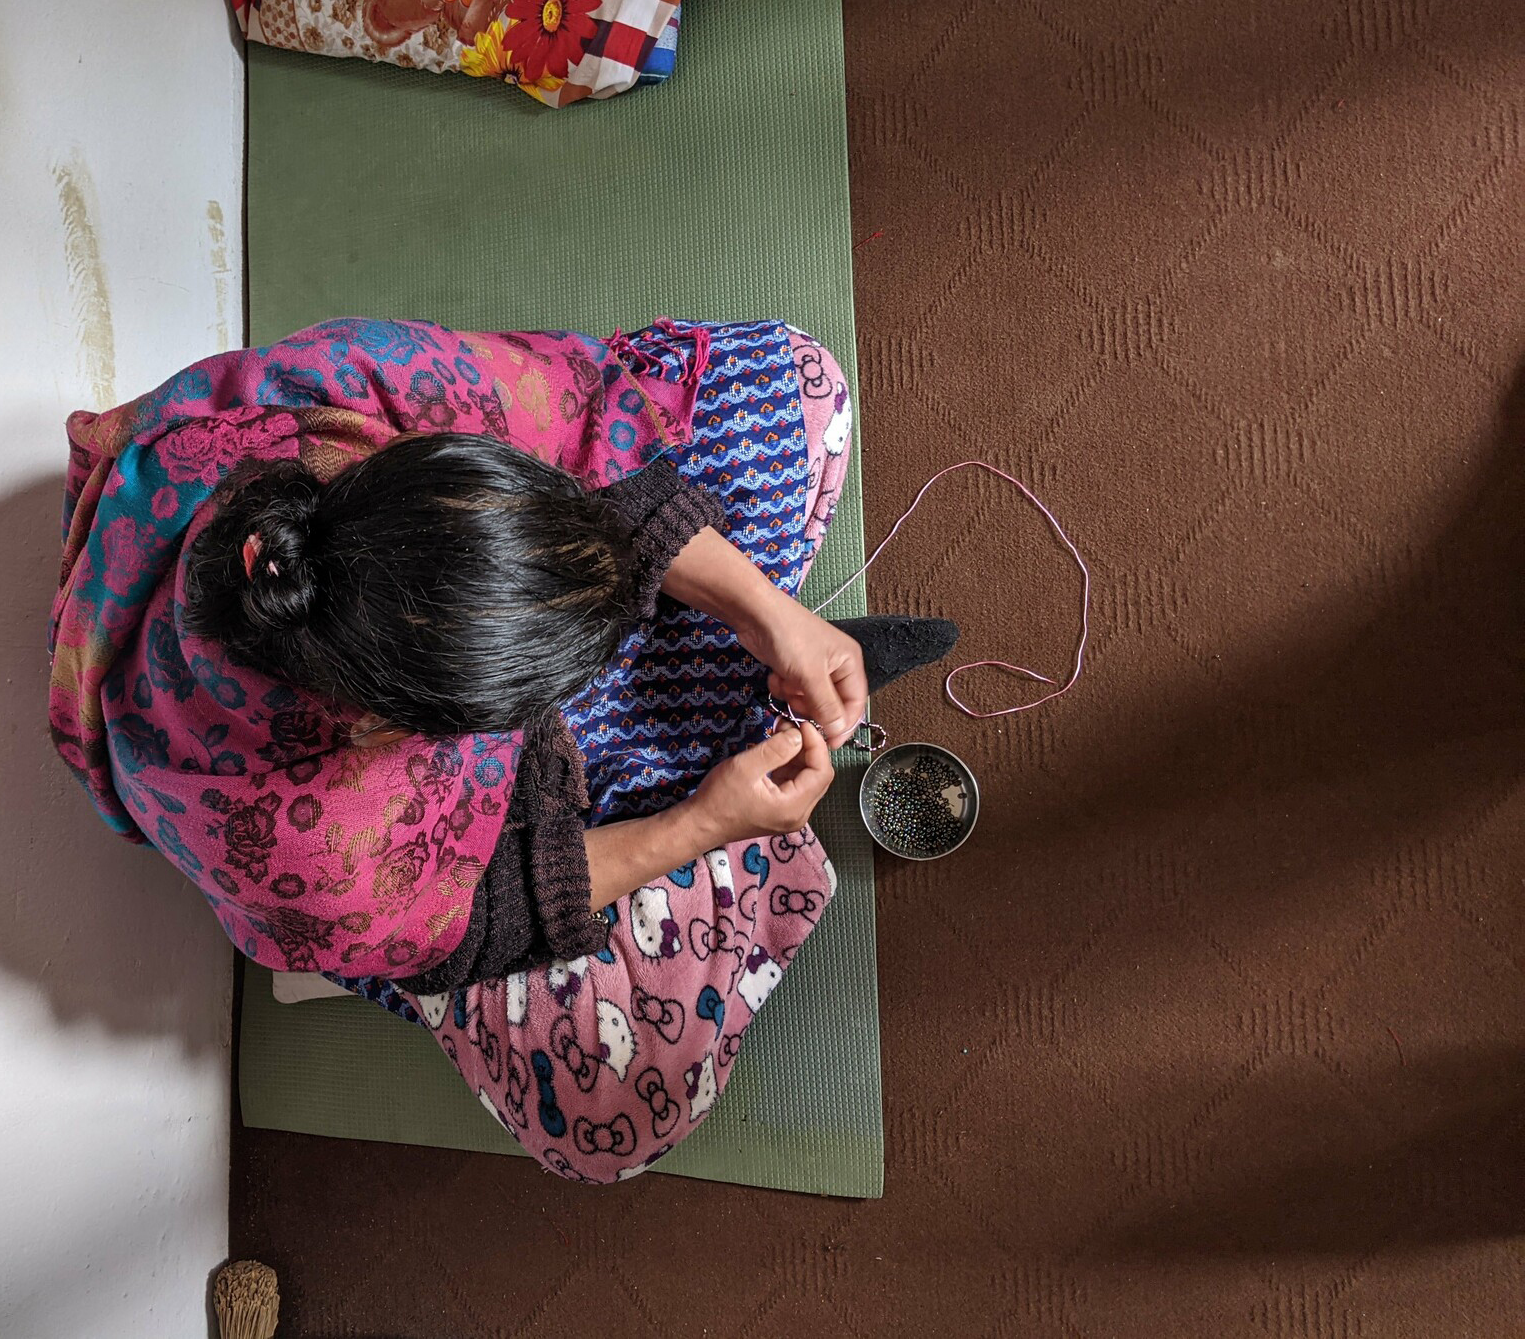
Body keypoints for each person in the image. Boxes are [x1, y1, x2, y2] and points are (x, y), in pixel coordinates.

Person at [48, 316, 954, 1182]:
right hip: (400, 868)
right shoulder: (304, 851)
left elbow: (591, 435)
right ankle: (684, 760)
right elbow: (475, 924)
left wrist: (770, 616)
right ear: (398, 735)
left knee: (802, 387)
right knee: (616, 1116)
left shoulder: (354, 389)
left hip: (413, 642)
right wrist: (704, 822)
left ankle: (677, 706)